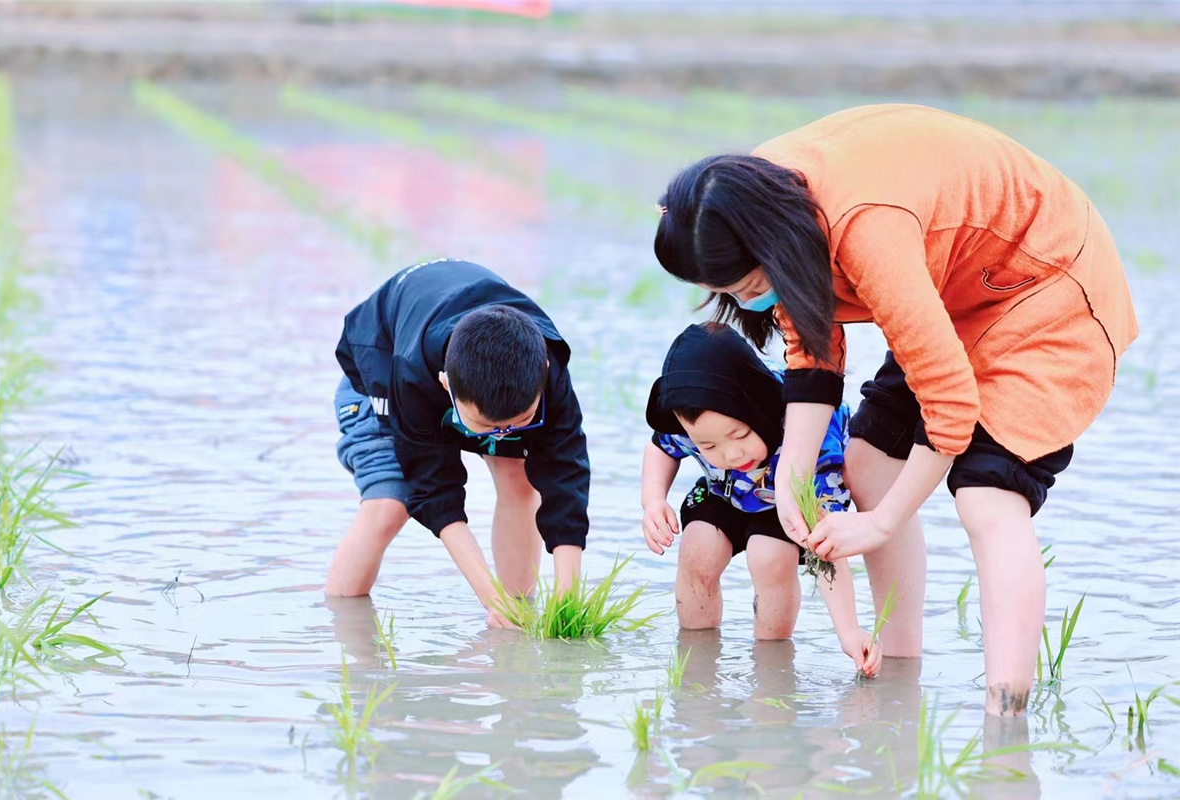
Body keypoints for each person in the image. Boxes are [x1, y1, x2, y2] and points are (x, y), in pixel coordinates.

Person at [652, 104, 1137, 715]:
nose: (739, 303)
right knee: (868, 461)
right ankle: (898, 676)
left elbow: (950, 405)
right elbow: (812, 346)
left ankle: (1005, 721)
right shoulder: (746, 196)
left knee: (988, 497)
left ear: (771, 247)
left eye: (745, 290)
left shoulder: (864, 227)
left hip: (1047, 285)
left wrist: (878, 525)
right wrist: (793, 469)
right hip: (959, 287)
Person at [328, 258, 590, 627]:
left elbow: (566, 477)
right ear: (447, 385)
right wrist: (490, 598)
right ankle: (344, 628)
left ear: (544, 374)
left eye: (521, 421)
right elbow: (435, 493)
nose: (503, 435)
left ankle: (519, 612)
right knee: (390, 502)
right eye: (487, 426)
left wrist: (568, 600)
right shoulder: (413, 376)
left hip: (477, 368)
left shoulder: (545, 367)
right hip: (380, 370)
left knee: (519, 476)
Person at [641, 323, 880, 676]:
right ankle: (695, 662)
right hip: (726, 491)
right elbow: (662, 445)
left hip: (792, 498)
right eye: (708, 446)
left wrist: (848, 630)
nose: (731, 453)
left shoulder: (806, 427)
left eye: (739, 435)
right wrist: (653, 500)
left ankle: (771, 666)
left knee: (769, 556)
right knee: (697, 548)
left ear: (756, 407)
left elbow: (824, 538)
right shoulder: (697, 418)